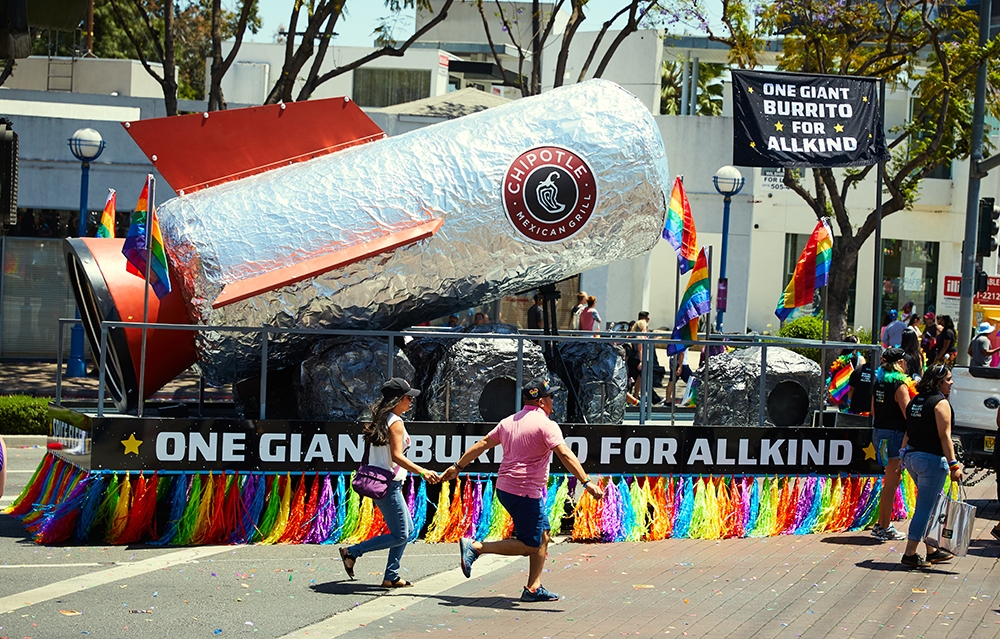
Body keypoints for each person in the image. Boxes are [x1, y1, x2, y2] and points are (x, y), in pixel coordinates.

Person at [441, 378, 604, 602]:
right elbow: (565, 455)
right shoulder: (546, 425)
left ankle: (533, 588)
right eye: (551, 397)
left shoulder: (508, 422)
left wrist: (457, 467)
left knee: (543, 534)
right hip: (524, 491)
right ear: (541, 401)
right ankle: (476, 547)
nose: (552, 401)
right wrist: (586, 482)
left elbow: (481, 444)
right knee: (531, 544)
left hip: (507, 488)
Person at [339, 378, 440, 588]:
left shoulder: (382, 418)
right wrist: (423, 471)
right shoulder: (395, 422)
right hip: (389, 484)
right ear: (397, 400)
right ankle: (352, 552)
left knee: (407, 531)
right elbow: (396, 456)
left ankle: (391, 576)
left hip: (384, 482)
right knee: (402, 533)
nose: (411, 401)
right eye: (408, 397)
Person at [901, 364, 962, 568]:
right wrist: (954, 465)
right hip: (930, 460)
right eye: (948, 379)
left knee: (932, 504)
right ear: (938, 382)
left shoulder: (915, 401)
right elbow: (945, 437)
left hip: (912, 457)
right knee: (926, 508)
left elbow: (908, 432)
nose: (951, 383)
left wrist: (902, 456)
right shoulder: (940, 403)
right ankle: (909, 554)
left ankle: (932, 550)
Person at [870, 348, 915, 542]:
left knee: (890, 480)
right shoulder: (899, 385)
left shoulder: (879, 382)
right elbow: (908, 414)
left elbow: (873, 411)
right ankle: (883, 526)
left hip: (879, 434)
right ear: (900, 363)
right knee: (892, 481)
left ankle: (882, 524)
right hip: (894, 436)